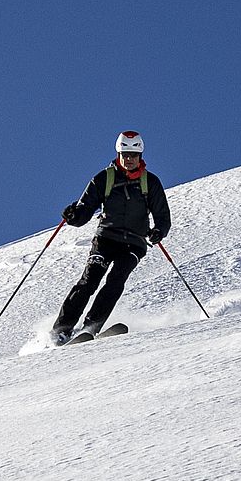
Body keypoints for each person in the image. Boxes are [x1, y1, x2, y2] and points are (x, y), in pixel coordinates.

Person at [50, 130, 171, 345]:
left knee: (116, 282)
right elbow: (85, 209)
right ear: (118, 153)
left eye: (133, 155)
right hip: (106, 238)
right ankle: (62, 329)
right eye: (124, 154)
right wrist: (74, 216)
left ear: (140, 156)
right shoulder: (105, 178)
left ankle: (91, 327)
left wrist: (158, 231)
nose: (128, 159)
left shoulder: (150, 182)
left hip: (134, 243)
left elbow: (163, 216)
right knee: (89, 280)